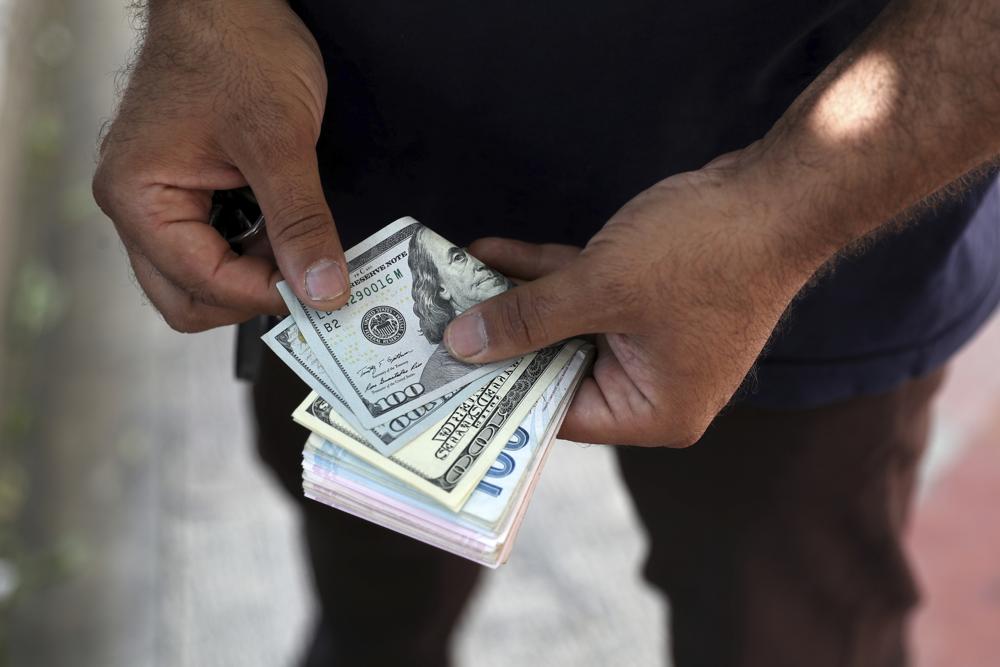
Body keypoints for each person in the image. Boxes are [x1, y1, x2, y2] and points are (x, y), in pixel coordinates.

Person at [92, 1, 1000, 665]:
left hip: (823, 226)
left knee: (788, 628)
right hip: (343, 174)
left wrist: (790, 213)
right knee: (373, 594)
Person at [408, 225, 512, 387]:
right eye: (457, 258)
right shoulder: (442, 374)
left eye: (468, 253)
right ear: (441, 288)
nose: (479, 264)